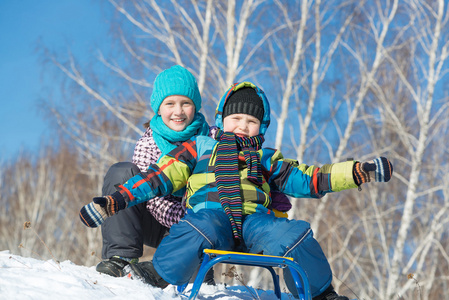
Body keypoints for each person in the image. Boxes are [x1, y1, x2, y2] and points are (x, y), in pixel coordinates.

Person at [80, 81, 393, 300]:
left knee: (294, 233)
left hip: (256, 223)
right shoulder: (199, 147)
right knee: (197, 227)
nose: (242, 126)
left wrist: (357, 172)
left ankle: (321, 294)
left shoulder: (267, 157)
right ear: (221, 119)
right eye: (236, 118)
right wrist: (115, 200)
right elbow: (156, 177)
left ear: (262, 126)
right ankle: (157, 273)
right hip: (211, 217)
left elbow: (310, 179)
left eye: (251, 121)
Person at [95, 65, 213, 278]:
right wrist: (182, 219)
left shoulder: (212, 138)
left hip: (198, 226)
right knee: (122, 172)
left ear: (195, 107)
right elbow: (150, 196)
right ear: (158, 108)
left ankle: (199, 267)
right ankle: (121, 257)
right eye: (170, 104)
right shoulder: (148, 143)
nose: (178, 111)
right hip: (158, 217)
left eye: (185, 103)